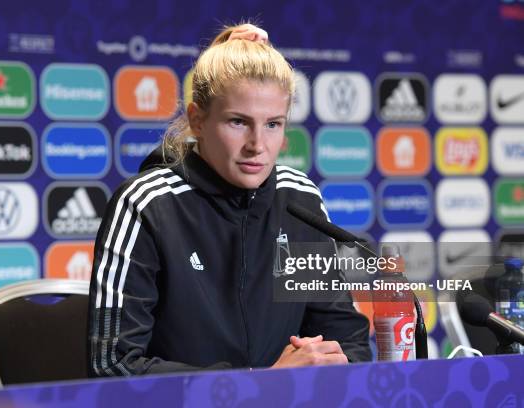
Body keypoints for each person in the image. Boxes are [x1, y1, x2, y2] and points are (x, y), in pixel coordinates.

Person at [88, 23, 371, 377]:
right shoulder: (145, 206)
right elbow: (113, 365)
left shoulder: (300, 200)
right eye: (238, 122)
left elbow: (348, 342)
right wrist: (261, 386)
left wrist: (333, 368)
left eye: (273, 124)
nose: (257, 144)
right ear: (197, 120)